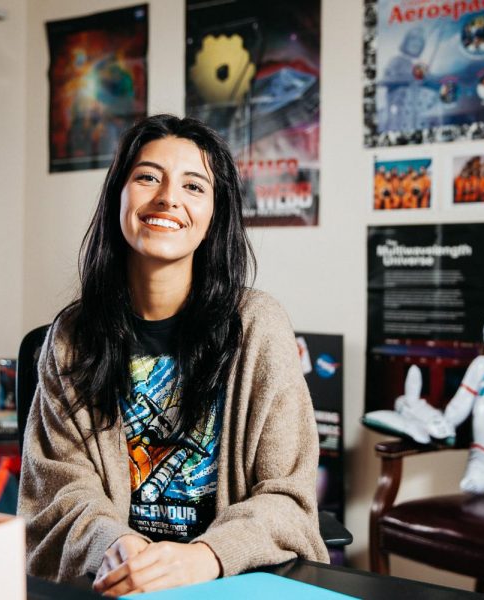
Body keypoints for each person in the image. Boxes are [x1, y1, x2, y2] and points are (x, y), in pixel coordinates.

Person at [18, 114, 328, 596]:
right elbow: (60, 490)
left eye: (194, 186)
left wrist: (205, 557)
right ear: (117, 196)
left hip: (229, 582)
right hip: (116, 584)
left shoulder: (259, 328)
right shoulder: (71, 337)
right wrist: (113, 542)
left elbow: (287, 497)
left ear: (214, 215)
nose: (168, 198)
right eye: (147, 177)